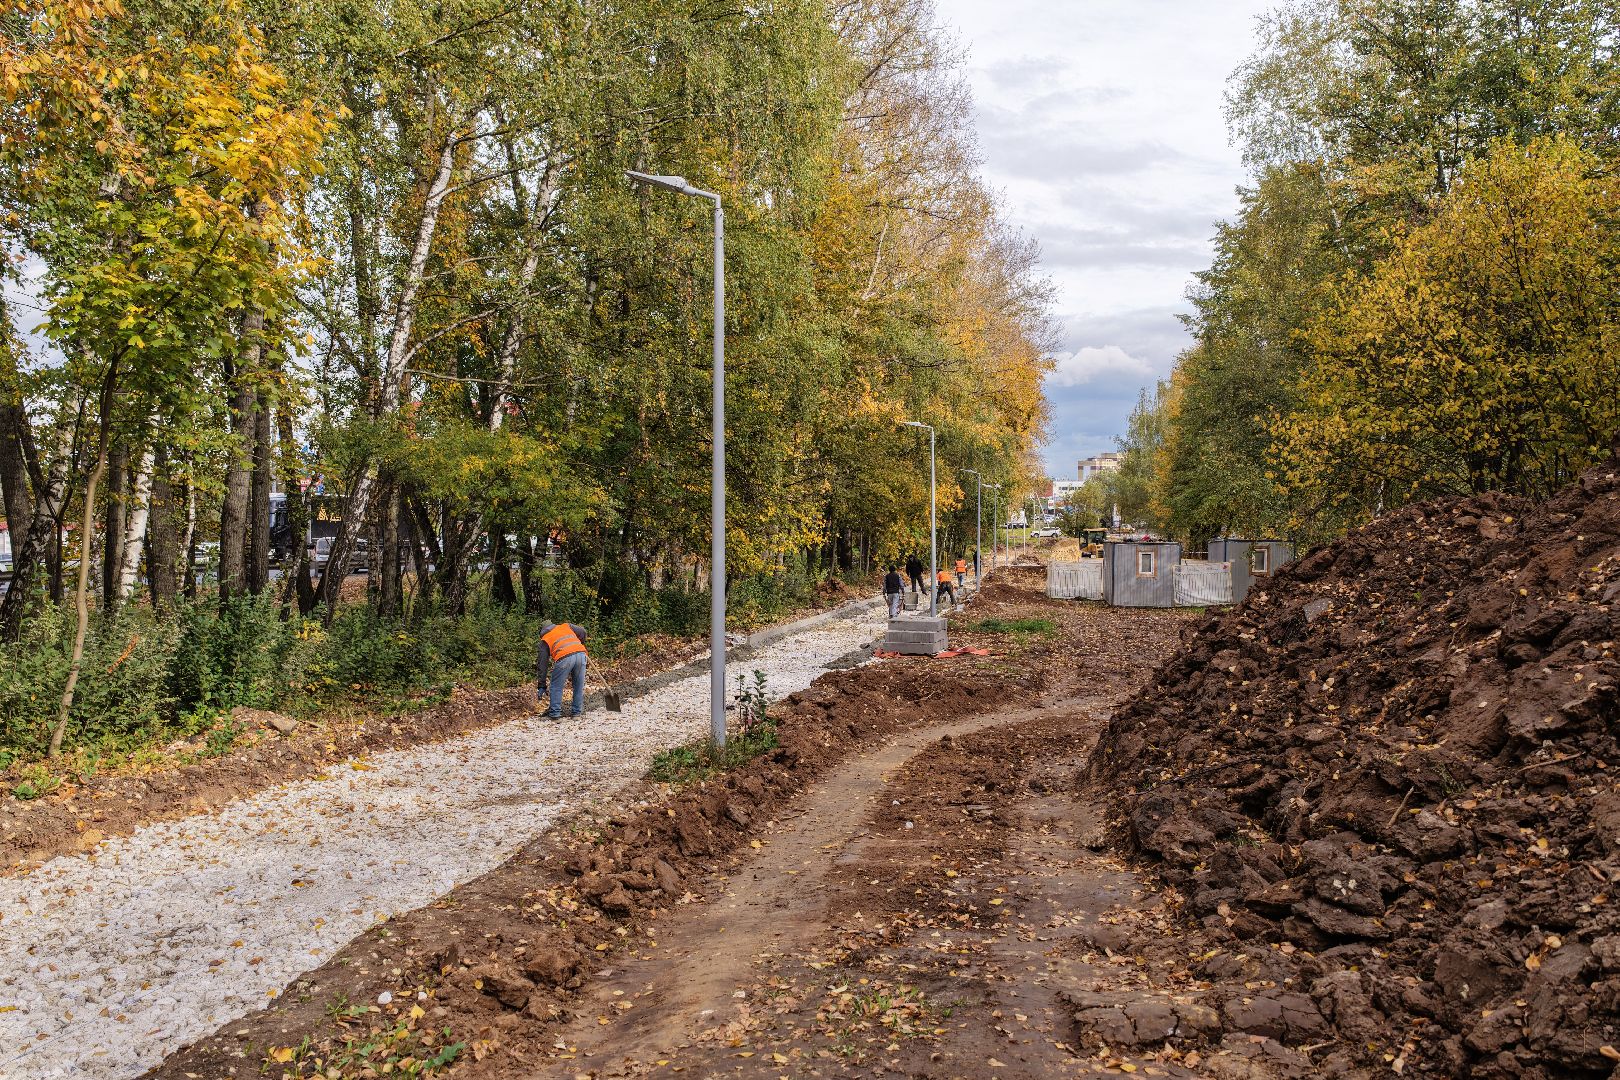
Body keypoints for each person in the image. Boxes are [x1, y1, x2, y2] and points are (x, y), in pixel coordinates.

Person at [537, 619, 589, 720]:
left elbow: (542, 664)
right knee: (578, 685)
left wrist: (541, 685)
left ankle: (555, 714)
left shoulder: (545, 639)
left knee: (556, 686)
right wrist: (580, 643)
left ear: (542, 630)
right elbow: (583, 631)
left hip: (564, 657)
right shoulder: (566, 626)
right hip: (581, 654)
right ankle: (576, 714)